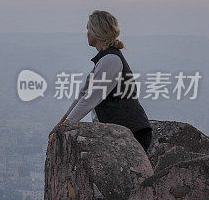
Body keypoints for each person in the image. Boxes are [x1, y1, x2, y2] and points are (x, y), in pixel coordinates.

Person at [49, 10, 153, 153]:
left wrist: (65, 126)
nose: (87, 34)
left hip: (132, 133)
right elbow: (84, 94)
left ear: (97, 32)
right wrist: (63, 122)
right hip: (123, 131)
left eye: (89, 30)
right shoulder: (106, 59)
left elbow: (90, 98)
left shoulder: (111, 60)